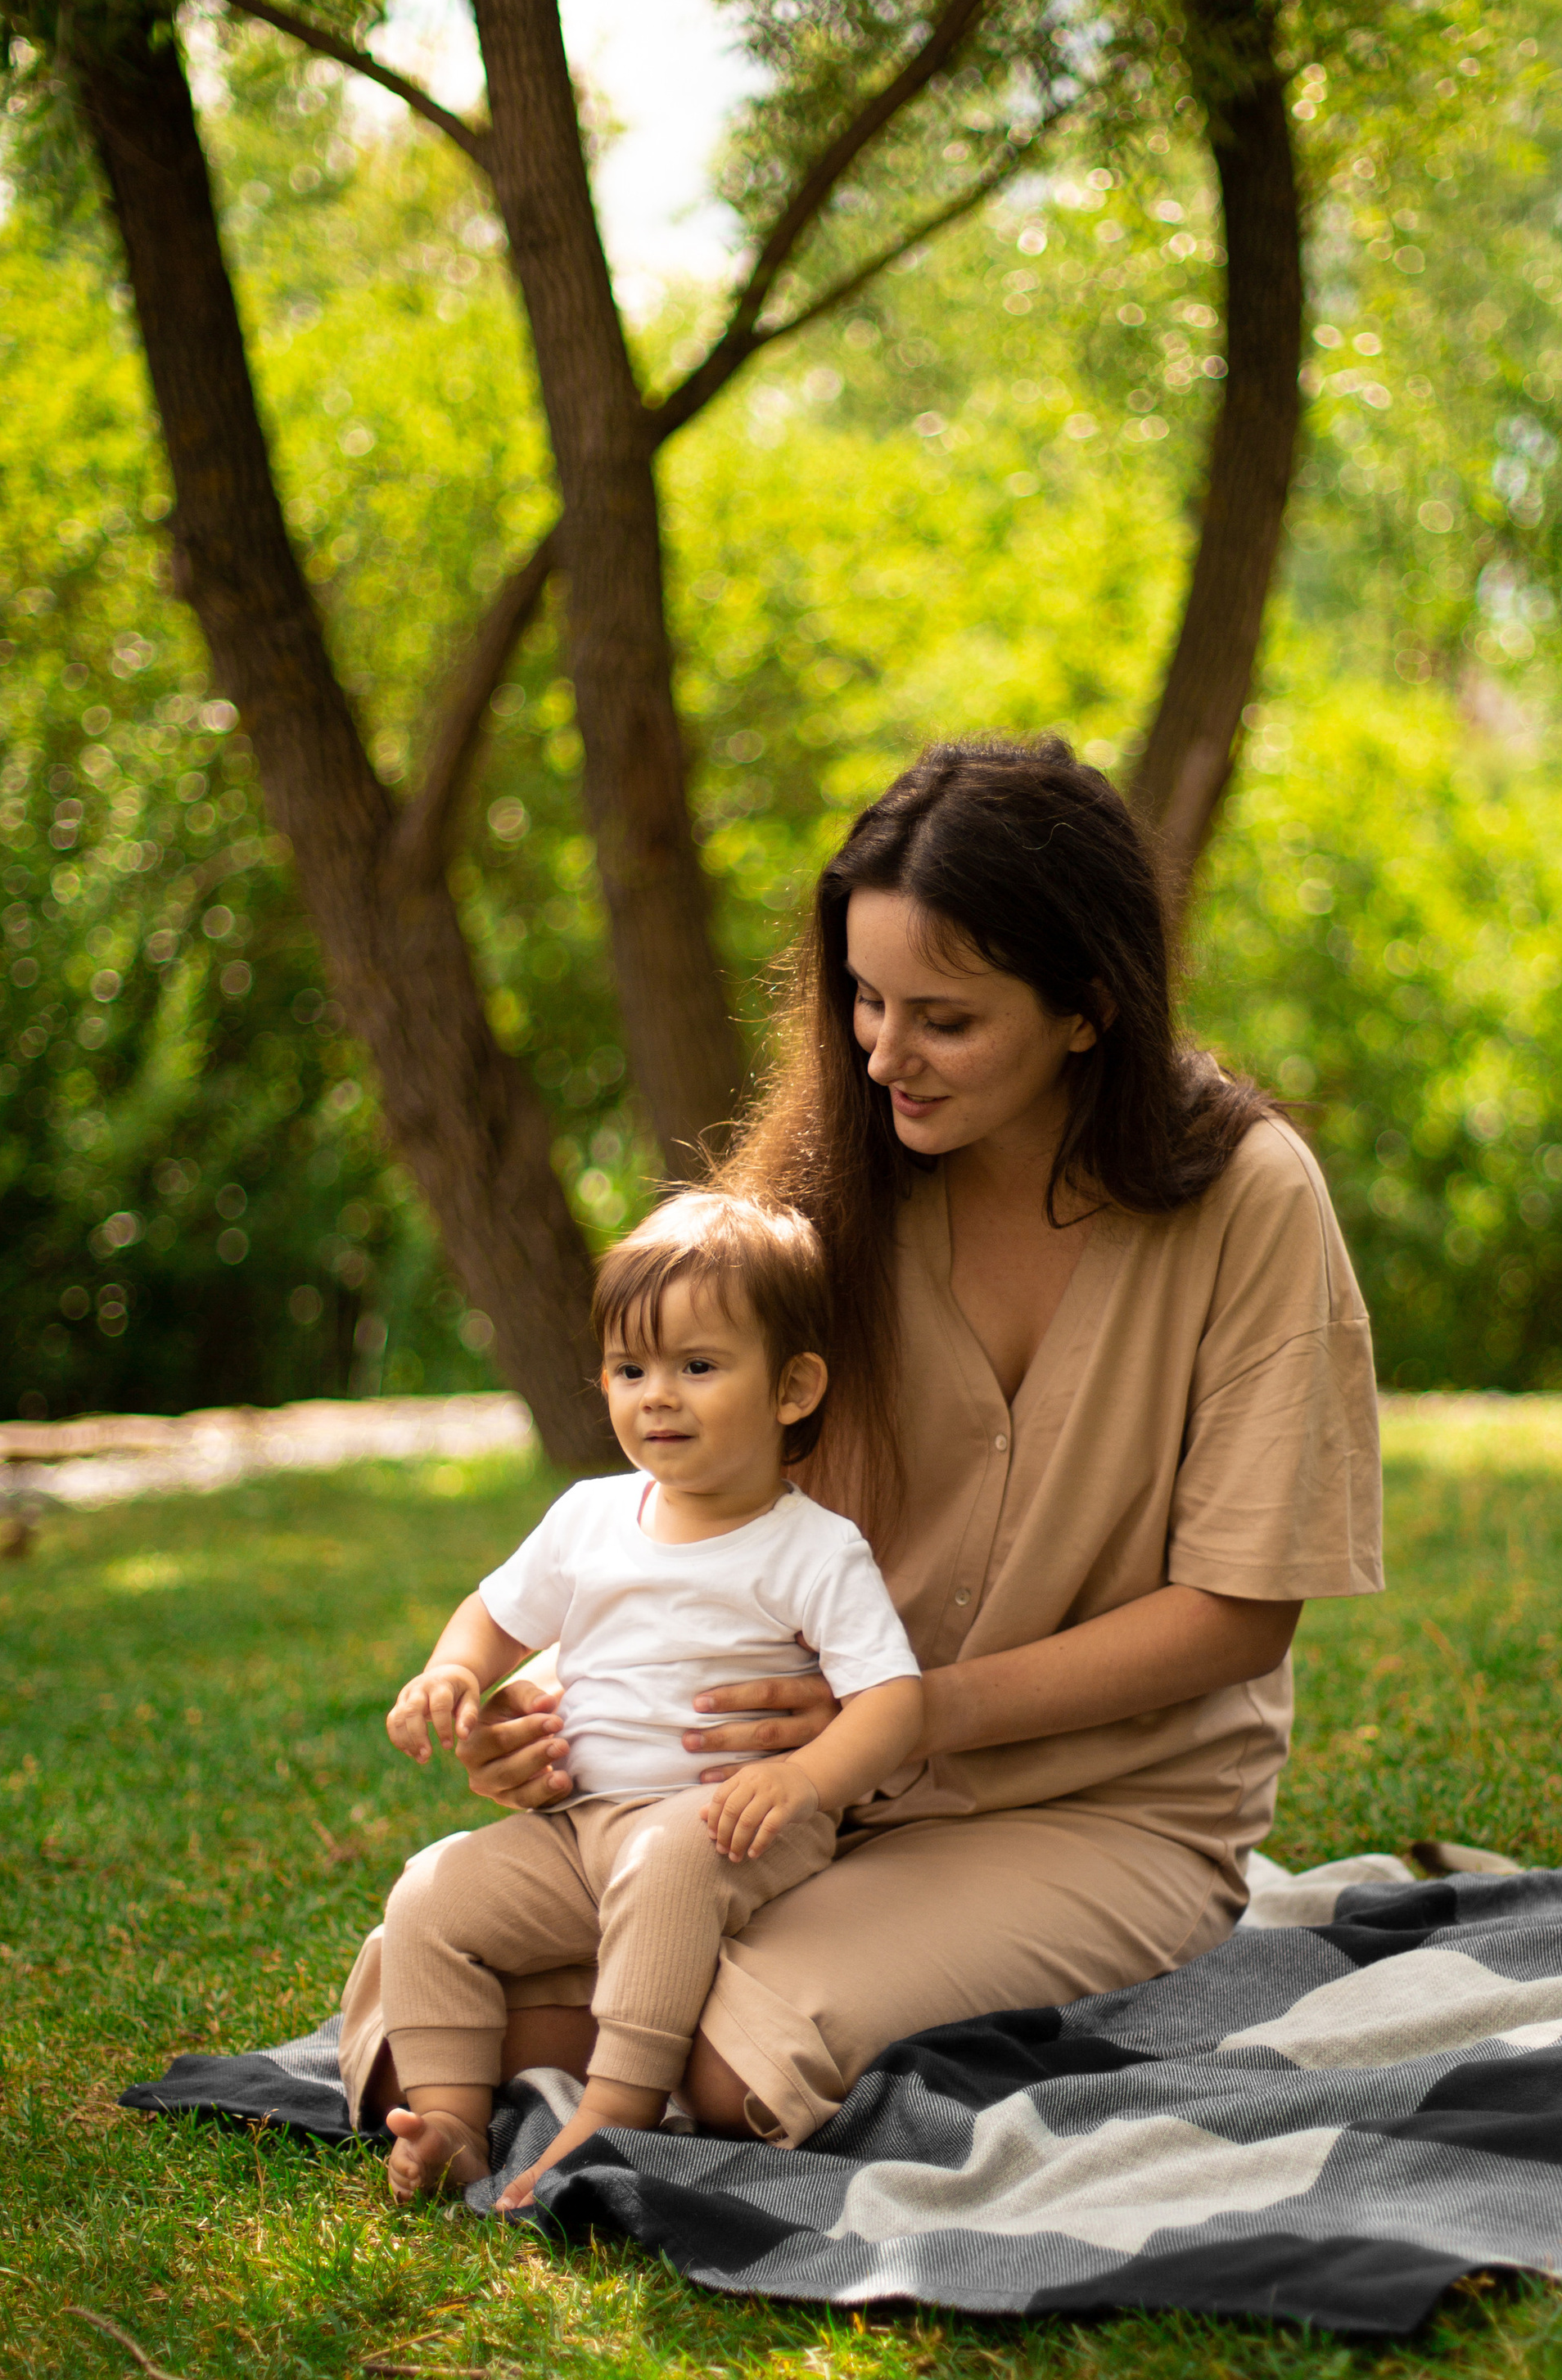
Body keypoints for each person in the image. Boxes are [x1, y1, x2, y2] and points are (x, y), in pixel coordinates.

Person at [338, 732, 1382, 2159]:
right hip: (781, 1803)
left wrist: (907, 1718)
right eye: (864, 1000)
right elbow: (701, 1506)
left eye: (944, 1018)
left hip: (1097, 1813)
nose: (885, 1053)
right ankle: (585, 2040)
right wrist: (563, 1715)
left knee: (735, 2056)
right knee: (423, 1970)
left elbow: (1241, 1614)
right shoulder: (819, 1196)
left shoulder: (1251, 1198)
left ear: (1088, 1010)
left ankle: (636, 2044)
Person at [368, 1192, 921, 2202]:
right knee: (429, 1892)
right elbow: (495, 1615)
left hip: (736, 1824)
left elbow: (891, 1700)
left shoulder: (812, 1547)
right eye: (631, 1370)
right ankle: (450, 2122)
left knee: (668, 1860)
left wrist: (803, 1779)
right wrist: (453, 1670)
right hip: (581, 1829)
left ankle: (614, 2110)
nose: (656, 1396)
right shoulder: (590, 1516)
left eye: (697, 1367)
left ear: (793, 1388)